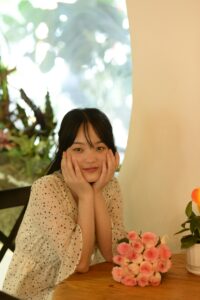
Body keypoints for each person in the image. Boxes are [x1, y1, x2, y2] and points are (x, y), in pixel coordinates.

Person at [3, 108, 126, 300]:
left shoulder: (109, 186)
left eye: (99, 148)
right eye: (78, 149)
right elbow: (81, 264)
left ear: (111, 153)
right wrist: (86, 196)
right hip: (36, 293)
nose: (90, 158)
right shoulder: (46, 189)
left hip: (82, 287)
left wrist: (97, 192)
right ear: (63, 154)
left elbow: (113, 254)